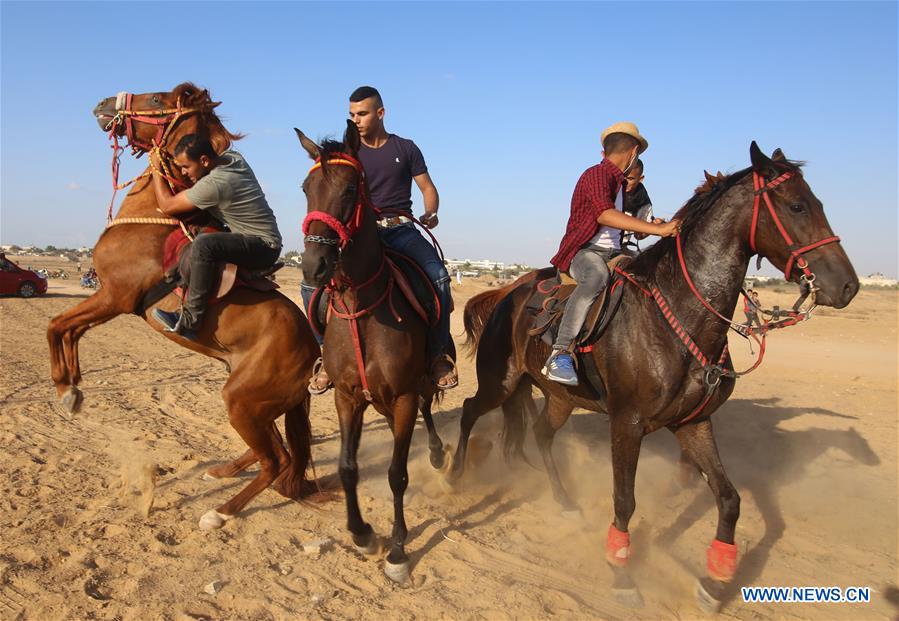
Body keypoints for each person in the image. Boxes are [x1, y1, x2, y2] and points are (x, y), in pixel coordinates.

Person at [302, 86, 456, 392]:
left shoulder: (405, 148)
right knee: (310, 285)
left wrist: (431, 211)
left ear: (380, 113)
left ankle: (438, 354)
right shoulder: (348, 153)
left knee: (439, 277)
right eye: (352, 115)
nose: (356, 120)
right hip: (358, 234)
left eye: (363, 113)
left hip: (400, 229)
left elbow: (427, 187)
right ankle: (325, 354)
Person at [543, 122, 680, 386]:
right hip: (584, 253)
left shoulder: (621, 184)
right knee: (595, 277)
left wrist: (652, 229)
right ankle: (560, 352)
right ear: (634, 152)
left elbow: (630, 228)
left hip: (616, 252)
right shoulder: (596, 175)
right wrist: (658, 229)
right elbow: (604, 214)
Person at [147, 134, 282, 339]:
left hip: (262, 246)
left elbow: (167, 205)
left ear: (204, 161)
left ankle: (191, 321)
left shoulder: (216, 183)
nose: (183, 172)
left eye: (186, 167)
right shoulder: (233, 158)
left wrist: (156, 169)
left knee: (204, 244)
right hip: (254, 237)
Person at [620, 158, 659, 257]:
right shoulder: (611, 191)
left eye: (630, 179)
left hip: (622, 248)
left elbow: (638, 236)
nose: (625, 182)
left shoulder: (644, 202)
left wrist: (654, 227)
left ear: (640, 179)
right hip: (600, 246)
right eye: (623, 177)